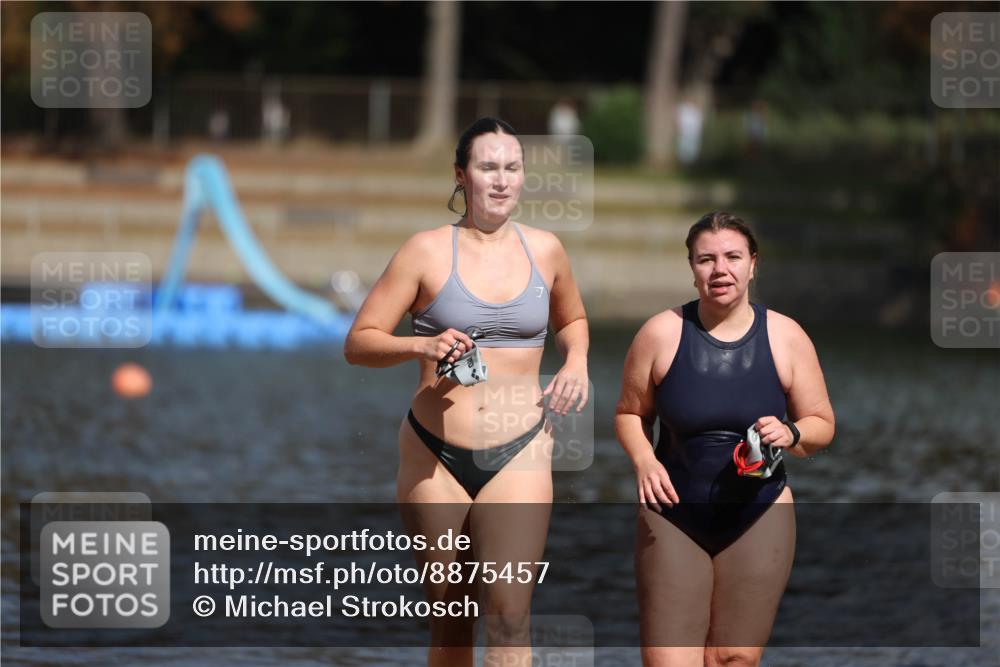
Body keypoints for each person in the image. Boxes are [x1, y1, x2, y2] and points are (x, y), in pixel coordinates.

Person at [344, 117, 589, 667]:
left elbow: (572, 318)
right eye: (487, 168)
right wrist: (420, 348)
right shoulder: (425, 252)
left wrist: (576, 361)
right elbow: (359, 343)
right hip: (436, 456)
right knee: (451, 625)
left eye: (512, 168)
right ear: (462, 176)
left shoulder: (546, 250)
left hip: (520, 451)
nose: (501, 180)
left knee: (508, 616)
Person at [615, 211, 835, 667]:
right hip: (672, 511)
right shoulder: (660, 333)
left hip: (760, 512)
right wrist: (643, 460)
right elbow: (630, 414)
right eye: (706, 259)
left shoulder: (786, 336)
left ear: (753, 264)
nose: (720, 270)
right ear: (692, 267)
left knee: (734, 659)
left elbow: (821, 424)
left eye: (733, 257)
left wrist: (792, 432)